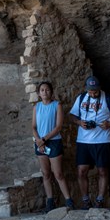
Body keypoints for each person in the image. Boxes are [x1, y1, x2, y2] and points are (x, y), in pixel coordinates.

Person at [69, 75, 110, 209]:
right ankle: (85, 200)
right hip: (83, 140)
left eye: (94, 91)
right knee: (81, 171)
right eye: (90, 91)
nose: (92, 93)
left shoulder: (109, 98)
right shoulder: (81, 98)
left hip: (103, 140)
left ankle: (100, 200)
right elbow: (71, 115)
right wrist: (79, 122)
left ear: (99, 88)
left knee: (103, 171)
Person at [31, 81, 74, 212]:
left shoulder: (57, 105)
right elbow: (33, 126)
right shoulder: (36, 107)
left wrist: (44, 139)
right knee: (45, 174)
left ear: (51, 91)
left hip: (53, 141)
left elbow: (58, 127)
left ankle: (69, 201)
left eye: (47, 90)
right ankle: (50, 202)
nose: (45, 92)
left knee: (58, 174)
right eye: (42, 90)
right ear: (39, 93)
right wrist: (38, 140)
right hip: (40, 142)